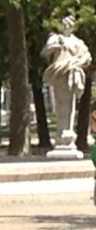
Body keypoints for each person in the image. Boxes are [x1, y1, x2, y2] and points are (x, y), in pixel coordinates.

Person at [41, 15, 92, 146]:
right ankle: (61, 130)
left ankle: (67, 132)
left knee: (69, 104)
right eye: (65, 24)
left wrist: (77, 62)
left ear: (73, 26)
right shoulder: (56, 38)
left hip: (71, 73)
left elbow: (87, 57)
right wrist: (56, 45)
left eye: (70, 24)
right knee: (60, 104)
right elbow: (45, 52)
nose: (67, 26)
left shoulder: (78, 42)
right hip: (59, 72)